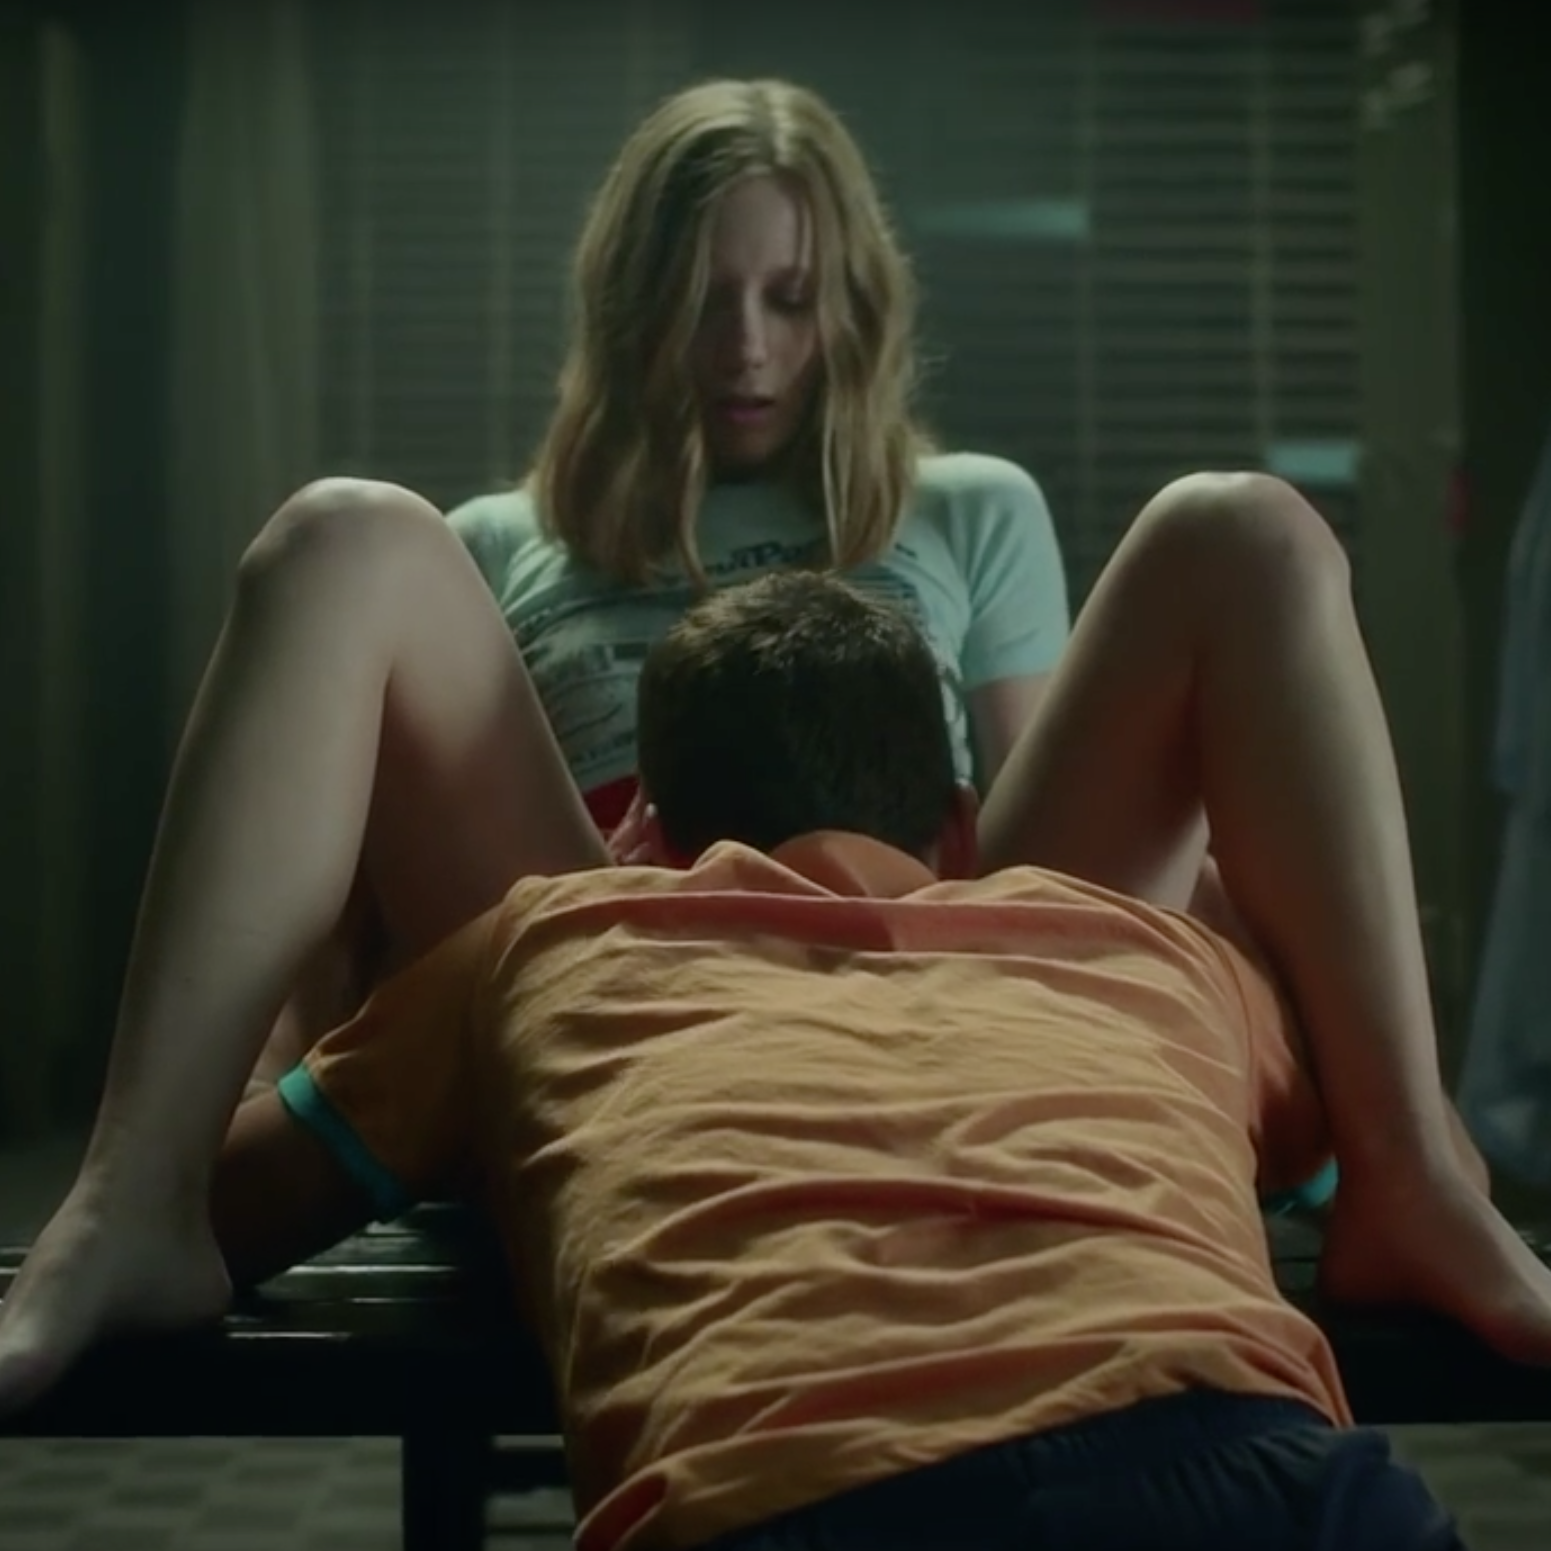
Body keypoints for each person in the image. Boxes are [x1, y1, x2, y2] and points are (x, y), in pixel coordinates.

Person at [1, 74, 1548, 1422]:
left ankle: (1407, 1166)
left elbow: (1069, 869)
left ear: (845, 306)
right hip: (614, 939)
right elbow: (351, 894)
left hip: (938, 941)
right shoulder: (497, 540)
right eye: (700, 298)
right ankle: (134, 1199)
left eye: (787, 299)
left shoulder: (971, 507)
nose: (742, 346)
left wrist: (1258, 1024)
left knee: (1246, 528)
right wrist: (292, 1079)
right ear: (631, 305)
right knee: (342, 533)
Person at [205, 571, 1467, 1550]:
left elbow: (223, 1207)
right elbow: (1357, 1176)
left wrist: (312, 1011)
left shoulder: (544, 949)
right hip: (1256, 1470)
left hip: (799, 1498)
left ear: (644, 842)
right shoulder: (1153, 954)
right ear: (960, 832)